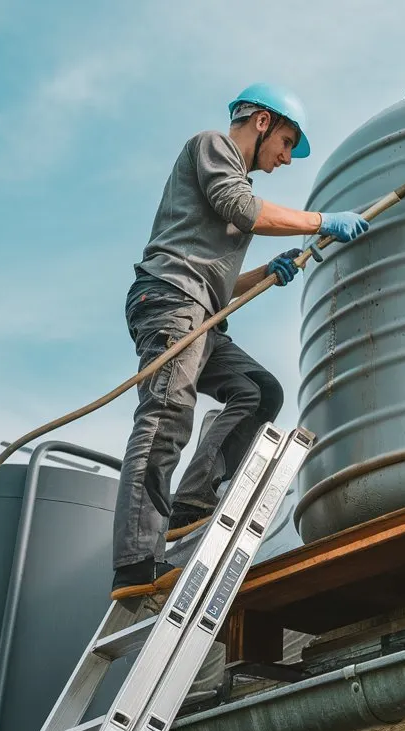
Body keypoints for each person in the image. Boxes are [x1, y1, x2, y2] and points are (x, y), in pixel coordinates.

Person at [111, 83, 370, 600]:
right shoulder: (213, 147)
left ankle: (193, 499)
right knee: (166, 416)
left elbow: (220, 273)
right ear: (261, 123)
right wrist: (320, 222)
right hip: (171, 301)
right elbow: (243, 208)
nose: (287, 157)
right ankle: (135, 562)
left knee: (258, 391)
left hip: (202, 310)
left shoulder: (231, 180)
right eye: (288, 142)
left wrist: (259, 276)